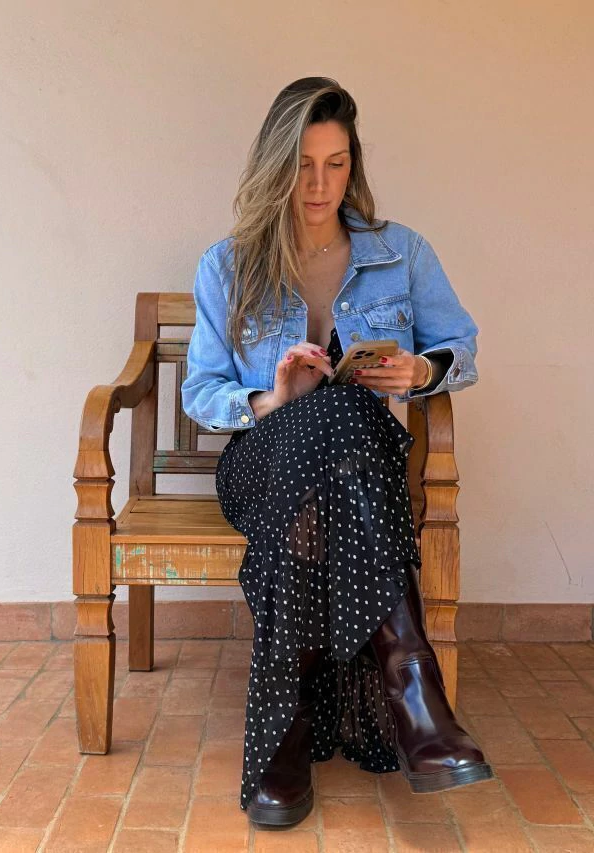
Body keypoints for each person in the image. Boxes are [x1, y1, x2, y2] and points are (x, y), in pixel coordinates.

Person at [181, 76, 492, 830]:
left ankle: (284, 739)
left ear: (354, 164)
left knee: (348, 413)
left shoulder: (401, 252)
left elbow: (461, 346)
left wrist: (420, 371)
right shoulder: (227, 265)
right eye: (303, 166)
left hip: (355, 470)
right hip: (262, 465)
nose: (320, 185)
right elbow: (201, 389)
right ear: (275, 166)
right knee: (332, 415)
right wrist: (273, 398)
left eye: (337, 163)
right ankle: (414, 694)